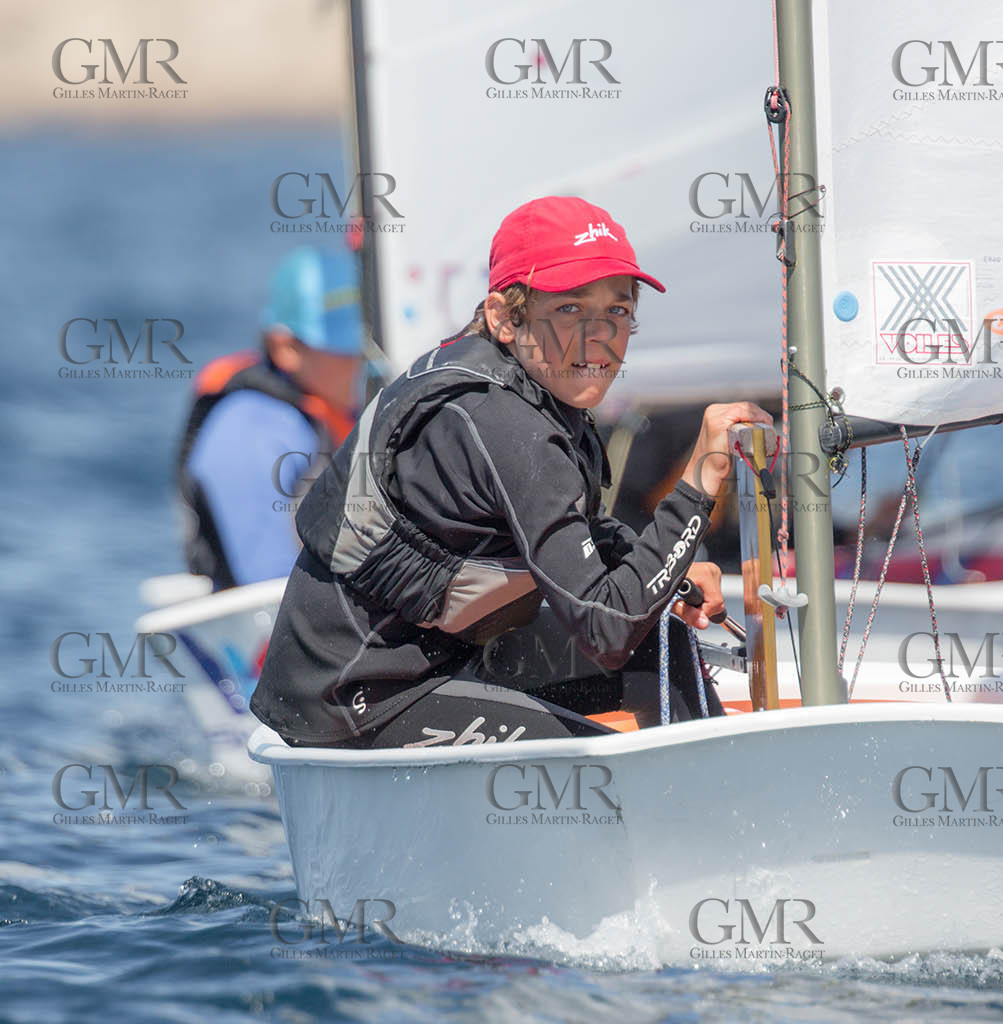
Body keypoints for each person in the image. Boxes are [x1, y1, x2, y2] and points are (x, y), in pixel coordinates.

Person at [250, 196, 771, 748]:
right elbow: (607, 626)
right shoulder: (500, 422)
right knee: (589, 765)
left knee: (661, 640)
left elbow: (580, 545)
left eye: (617, 311)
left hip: (445, 659)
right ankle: (709, 812)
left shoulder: (529, 392)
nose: (599, 338)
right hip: (357, 696)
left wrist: (668, 570)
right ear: (503, 318)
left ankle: (717, 800)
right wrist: (700, 480)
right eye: (569, 309)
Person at [176, 246, 367, 590]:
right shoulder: (250, 432)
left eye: (363, 344)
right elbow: (270, 584)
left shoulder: (342, 408)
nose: (360, 359)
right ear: (286, 349)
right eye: (343, 347)